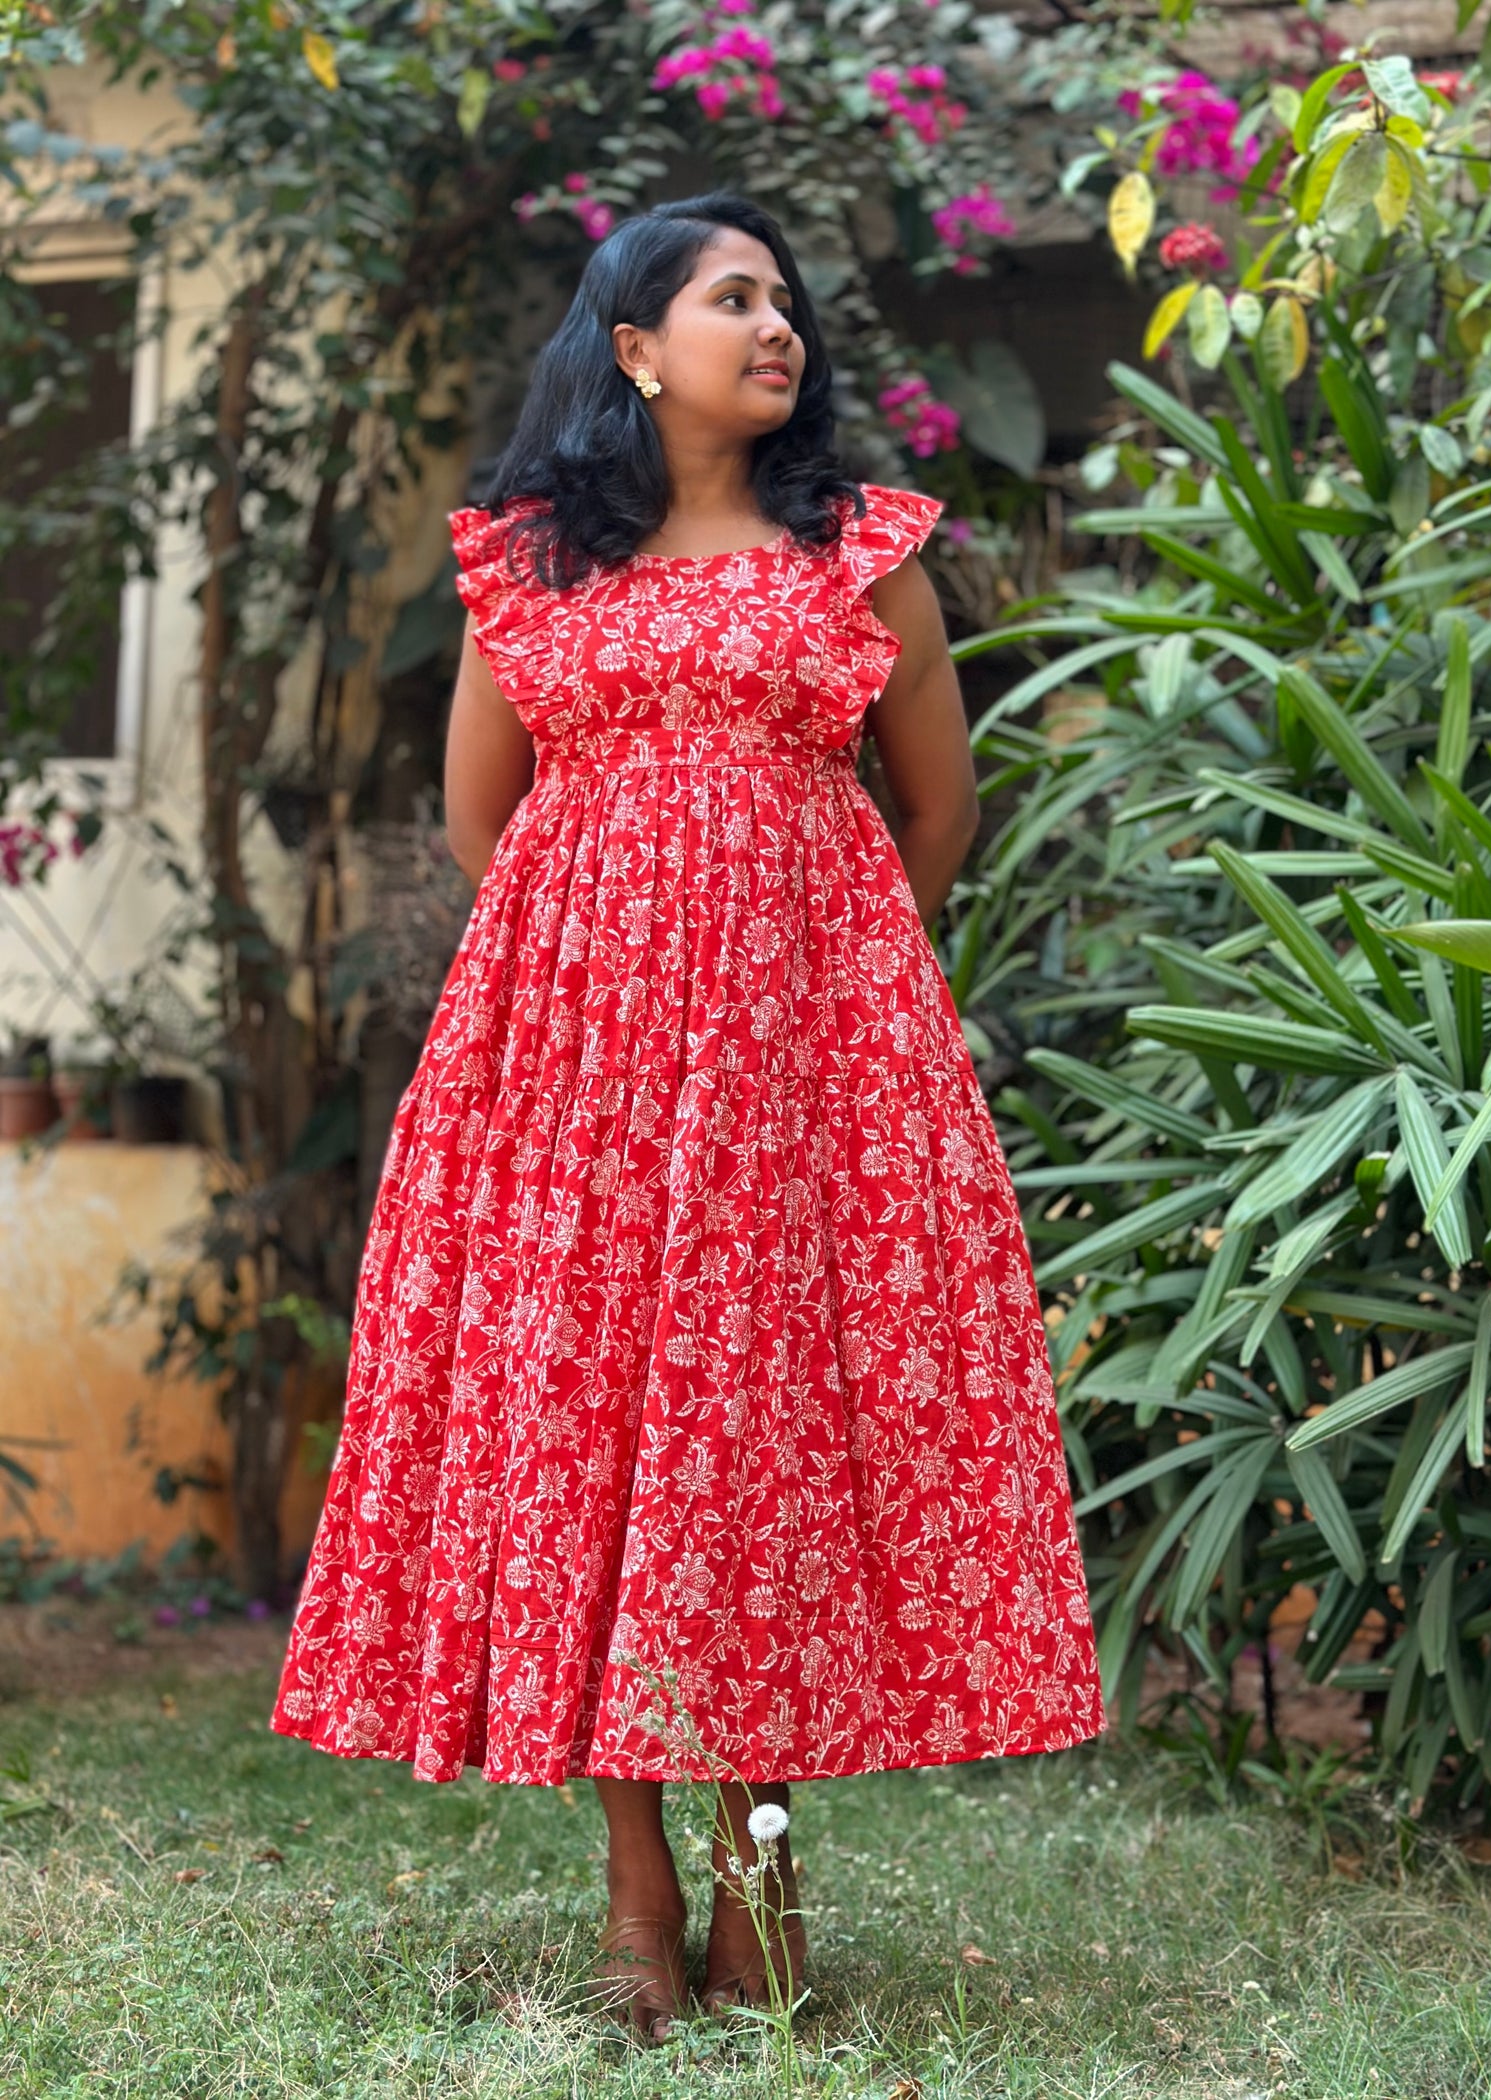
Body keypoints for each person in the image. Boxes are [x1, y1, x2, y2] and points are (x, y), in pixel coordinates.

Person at [270, 188, 1107, 2046]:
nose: (777, 324)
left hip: (799, 1084)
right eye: (734, 298)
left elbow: (939, 811)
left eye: (786, 300)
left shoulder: (859, 553)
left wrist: (820, 987)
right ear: (636, 347)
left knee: (757, 1450)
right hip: (575, 1090)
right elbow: (485, 821)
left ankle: (762, 1874)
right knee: (590, 1445)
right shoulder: (529, 567)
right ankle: (641, 1897)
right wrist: (607, 977)